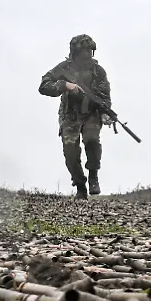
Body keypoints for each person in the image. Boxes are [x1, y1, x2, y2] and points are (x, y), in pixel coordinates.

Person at [38, 34, 114, 199]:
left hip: (91, 114)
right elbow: (44, 85)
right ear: (75, 52)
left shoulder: (97, 71)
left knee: (92, 141)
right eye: (83, 51)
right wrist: (64, 85)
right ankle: (80, 185)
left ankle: (93, 175)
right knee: (70, 152)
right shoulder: (64, 68)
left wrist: (105, 113)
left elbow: (105, 97)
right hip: (70, 115)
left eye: (89, 51)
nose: (87, 55)